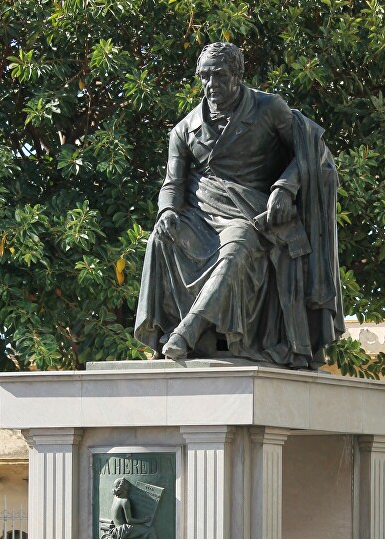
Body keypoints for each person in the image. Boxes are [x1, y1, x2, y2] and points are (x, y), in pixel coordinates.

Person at [134, 42, 344, 368]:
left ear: (237, 74)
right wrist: (167, 211)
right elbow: (172, 184)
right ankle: (170, 333)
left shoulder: (268, 108)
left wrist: (285, 188)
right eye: (204, 76)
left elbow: (309, 150)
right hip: (201, 212)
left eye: (218, 75)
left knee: (236, 246)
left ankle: (188, 332)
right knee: (160, 239)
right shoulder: (184, 130)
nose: (211, 84)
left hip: (250, 212)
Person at [89, 477, 159, 539]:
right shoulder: (125, 501)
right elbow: (129, 521)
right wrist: (144, 520)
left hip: (117, 530)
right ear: (124, 488)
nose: (128, 488)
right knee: (150, 530)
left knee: (145, 530)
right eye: (127, 486)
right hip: (124, 530)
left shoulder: (116, 499)